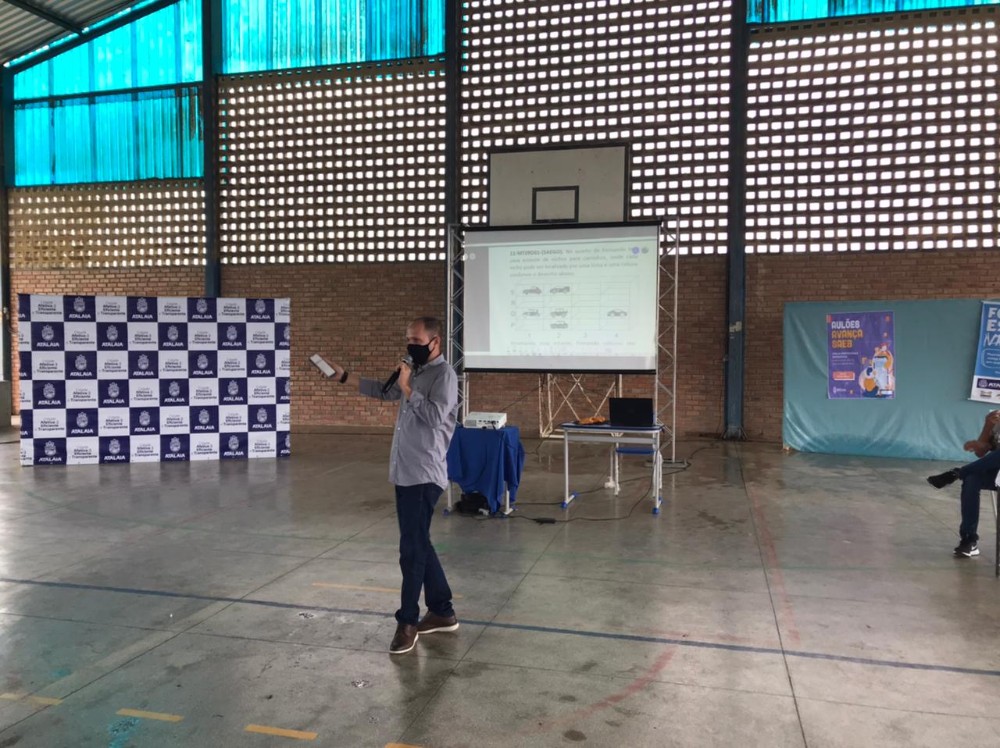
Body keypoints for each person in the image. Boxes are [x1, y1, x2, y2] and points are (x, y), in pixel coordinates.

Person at [328, 317, 459, 654]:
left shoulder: (444, 376)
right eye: (408, 339)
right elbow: (384, 391)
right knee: (419, 542)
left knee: (411, 551)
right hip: (405, 470)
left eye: (417, 340)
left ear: (435, 342)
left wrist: (408, 388)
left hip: (424, 473)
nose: (411, 345)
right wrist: (343, 376)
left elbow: (435, 417)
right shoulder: (412, 371)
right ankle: (442, 611)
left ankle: (408, 622)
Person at [927, 409, 1000, 558]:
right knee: (971, 479)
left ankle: (957, 473)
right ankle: (969, 539)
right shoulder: (995, 420)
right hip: (996, 475)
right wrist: (988, 425)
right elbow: (980, 453)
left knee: (969, 473)